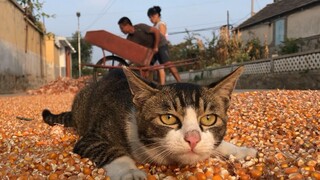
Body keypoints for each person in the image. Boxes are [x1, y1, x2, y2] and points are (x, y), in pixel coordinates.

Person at [118, 17, 181, 85]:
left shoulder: (141, 27)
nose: (121, 30)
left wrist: (156, 47)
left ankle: (180, 82)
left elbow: (156, 31)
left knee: (167, 63)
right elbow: (126, 54)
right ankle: (155, 86)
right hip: (151, 51)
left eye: (121, 28)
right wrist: (120, 64)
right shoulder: (130, 39)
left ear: (127, 25)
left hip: (160, 44)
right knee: (145, 68)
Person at [147, 6, 168, 85]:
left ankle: (162, 85)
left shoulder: (161, 24)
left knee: (160, 68)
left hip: (161, 47)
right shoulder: (153, 26)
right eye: (149, 17)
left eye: (152, 16)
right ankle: (158, 84)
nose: (151, 19)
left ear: (157, 15)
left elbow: (161, 36)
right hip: (155, 48)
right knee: (155, 67)